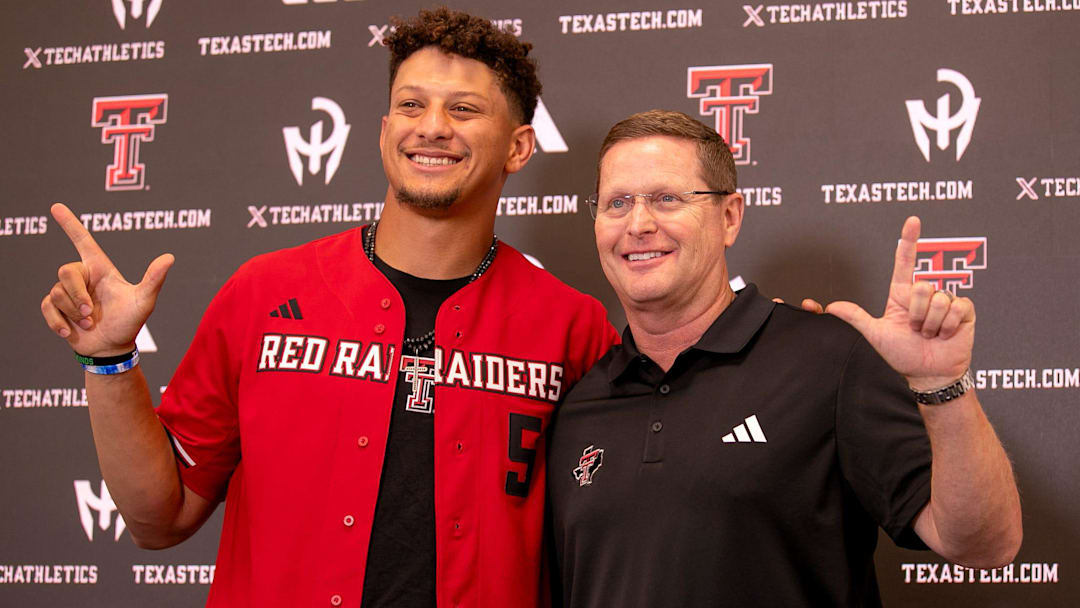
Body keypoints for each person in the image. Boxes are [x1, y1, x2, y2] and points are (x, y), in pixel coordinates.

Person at [40, 9, 617, 608]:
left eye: (464, 110)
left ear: (519, 147)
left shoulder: (573, 328)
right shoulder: (264, 293)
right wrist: (109, 359)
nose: (433, 128)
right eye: (412, 106)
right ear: (384, 127)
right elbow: (159, 519)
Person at [547, 110, 1022, 607]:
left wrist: (940, 384)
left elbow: (985, 543)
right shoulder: (580, 403)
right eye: (617, 203)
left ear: (729, 217)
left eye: (668, 199)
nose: (639, 224)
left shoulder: (828, 360)